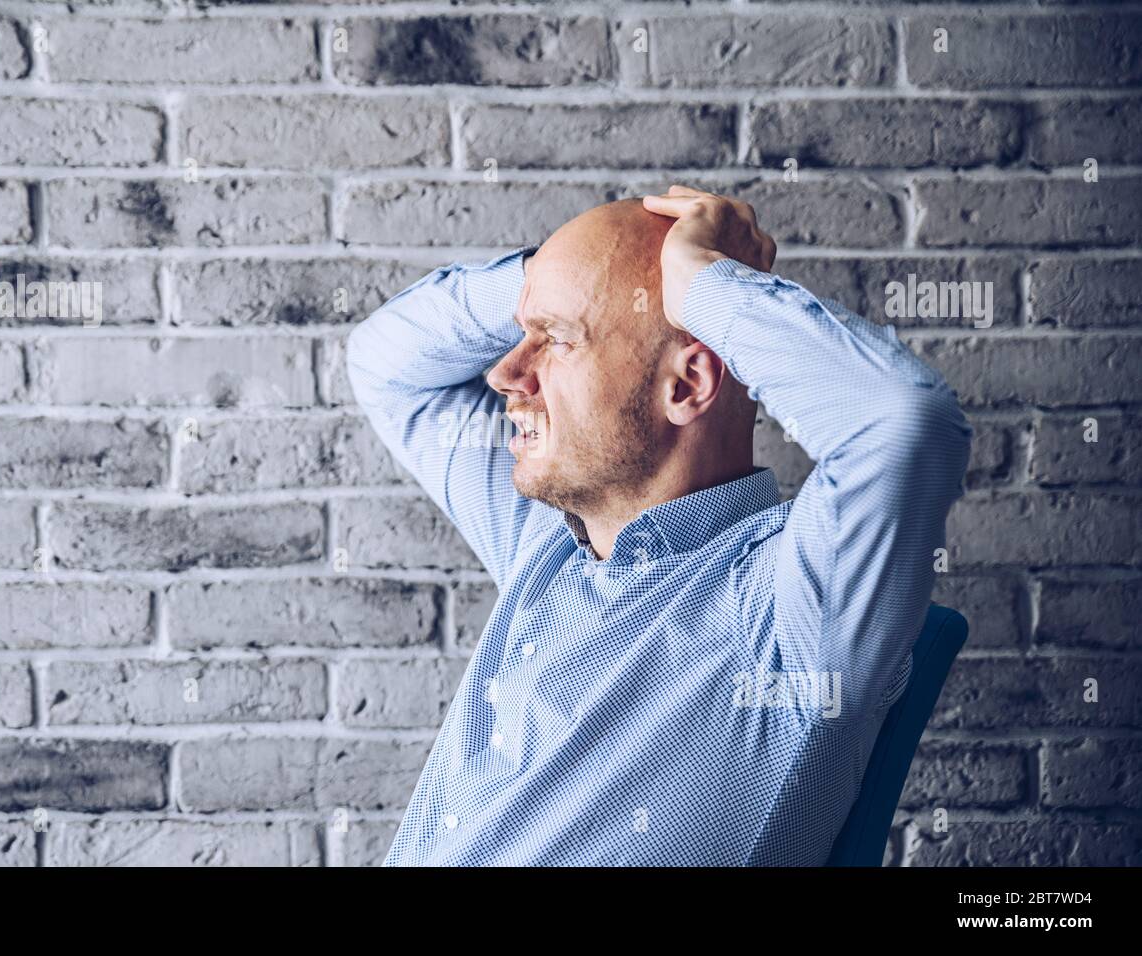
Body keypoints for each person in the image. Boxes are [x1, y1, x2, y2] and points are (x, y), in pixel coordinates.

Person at [346, 185, 973, 865]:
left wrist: (707, 285)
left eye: (554, 340)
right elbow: (385, 366)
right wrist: (550, 280)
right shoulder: (546, 540)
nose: (505, 373)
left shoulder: (791, 611)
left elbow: (903, 422)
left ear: (686, 386)